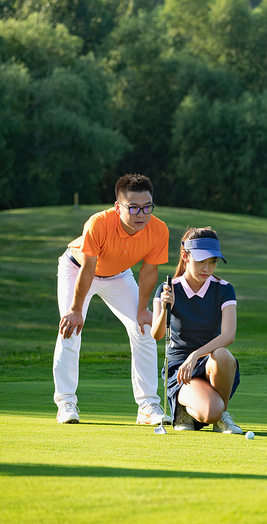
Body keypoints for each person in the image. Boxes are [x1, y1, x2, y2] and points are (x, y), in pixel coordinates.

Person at [54, 174, 169, 424]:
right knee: (70, 328)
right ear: (118, 207)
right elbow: (87, 270)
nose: (142, 214)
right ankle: (65, 403)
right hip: (77, 268)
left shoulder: (159, 230)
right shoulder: (98, 223)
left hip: (118, 275)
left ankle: (148, 406)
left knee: (144, 328)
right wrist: (75, 309)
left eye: (147, 207)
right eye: (134, 207)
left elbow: (149, 271)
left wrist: (142, 310)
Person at [151, 227, 243, 434]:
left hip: (211, 363)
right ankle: (184, 409)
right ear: (185, 256)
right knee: (210, 411)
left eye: (213, 262)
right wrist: (167, 308)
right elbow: (156, 335)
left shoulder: (224, 288)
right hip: (180, 370)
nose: (207, 268)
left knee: (223, 355)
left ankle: (223, 417)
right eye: (201, 261)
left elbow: (228, 335)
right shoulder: (168, 288)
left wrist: (195, 355)